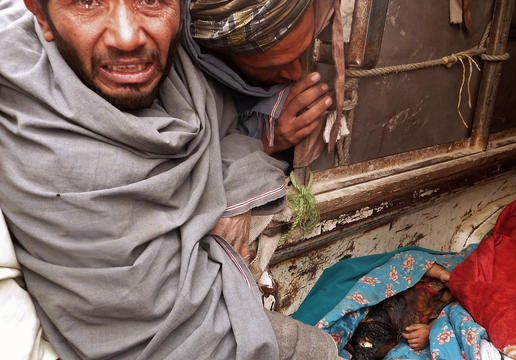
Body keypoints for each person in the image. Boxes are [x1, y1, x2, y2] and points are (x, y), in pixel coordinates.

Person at [0, 0, 337, 358]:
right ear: (40, 13)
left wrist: (264, 149)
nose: (127, 36)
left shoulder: (181, 73)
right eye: (86, 1)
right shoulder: (41, 142)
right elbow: (174, 343)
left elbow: (223, 129)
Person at [183, 0, 336, 155]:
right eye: (272, 67)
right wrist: (264, 141)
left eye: (303, 52)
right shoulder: (179, 98)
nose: (296, 73)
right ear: (218, 57)